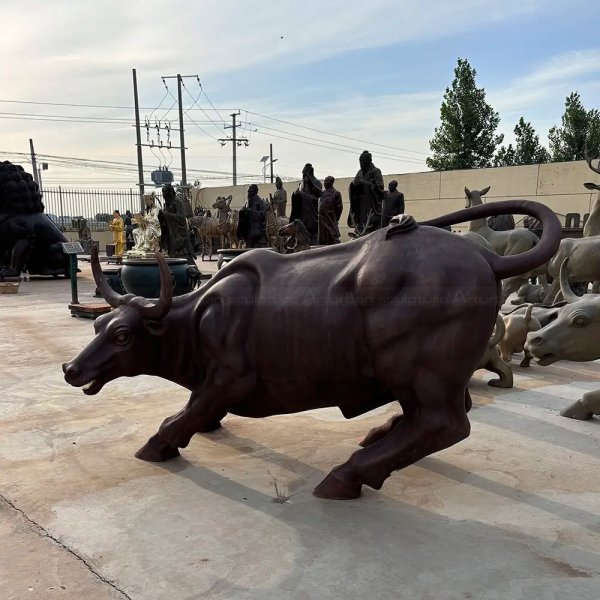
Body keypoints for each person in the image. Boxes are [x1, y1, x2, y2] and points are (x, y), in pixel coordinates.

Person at [158, 183, 196, 264]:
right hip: (171, 236)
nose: (165, 196)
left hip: (178, 236)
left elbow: (181, 218)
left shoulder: (177, 202)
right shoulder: (167, 204)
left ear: (171, 193)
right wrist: (162, 217)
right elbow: (165, 220)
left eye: (166, 194)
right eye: (163, 194)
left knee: (183, 257)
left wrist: (165, 214)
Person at [348, 150, 384, 235]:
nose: (361, 163)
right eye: (360, 161)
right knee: (360, 223)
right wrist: (353, 184)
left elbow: (380, 188)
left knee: (371, 225)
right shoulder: (359, 172)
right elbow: (354, 185)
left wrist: (364, 183)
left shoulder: (376, 171)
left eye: (363, 161)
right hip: (361, 204)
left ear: (369, 161)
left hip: (371, 204)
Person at [290, 163, 322, 244]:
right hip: (302, 212)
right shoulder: (301, 184)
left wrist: (303, 195)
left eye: (305, 173)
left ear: (310, 173)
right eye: (303, 173)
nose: (304, 175)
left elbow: (318, 198)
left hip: (312, 212)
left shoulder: (317, 182)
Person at [318, 176, 343, 245]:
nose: (324, 182)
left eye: (326, 181)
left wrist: (335, 218)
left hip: (330, 218)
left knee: (332, 236)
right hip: (321, 219)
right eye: (324, 181)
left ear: (331, 182)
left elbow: (339, 208)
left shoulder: (336, 193)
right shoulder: (322, 193)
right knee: (322, 238)